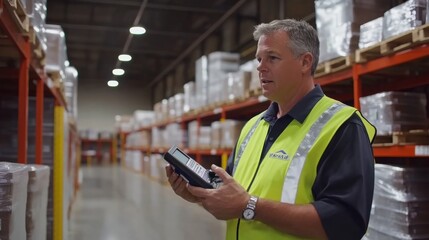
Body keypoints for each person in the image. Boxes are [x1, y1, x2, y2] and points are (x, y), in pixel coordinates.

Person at [165, 19, 376, 240]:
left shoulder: (342, 126)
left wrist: (251, 206)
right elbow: (232, 198)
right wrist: (199, 194)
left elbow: (346, 223)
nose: (260, 67)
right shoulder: (253, 127)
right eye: (259, 59)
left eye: (272, 58)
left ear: (305, 62)